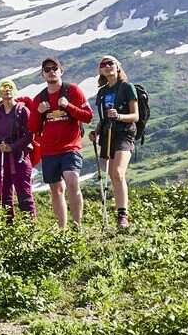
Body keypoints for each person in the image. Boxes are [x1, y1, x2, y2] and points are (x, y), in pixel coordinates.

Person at [31, 56, 93, 229]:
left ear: (61, 71)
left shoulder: (72, 90)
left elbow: (88, 116)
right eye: (47, 70)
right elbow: (33, 127)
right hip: (49, 150)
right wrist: (38, 112)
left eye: (54, 68)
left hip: (70, 147)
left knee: (72, 181)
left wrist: (69, 107)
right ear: (43, 75)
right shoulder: (39, 98)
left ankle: (77, 225)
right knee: (56, 190)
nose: (51, 72)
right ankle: (62, 230)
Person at [94, 54, 140, 231]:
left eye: (110, 63)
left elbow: (135, 116)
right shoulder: (102, 92)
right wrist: (97, 131)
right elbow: (104, 118)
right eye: (103, 64)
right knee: (112, 175)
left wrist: (119, 116)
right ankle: (119, 213)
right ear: (100, 70)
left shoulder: (127, 87)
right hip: (108, 135)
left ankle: (123, 216)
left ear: (117, 66)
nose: (107, 66)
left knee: (118, 173)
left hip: (124, 134)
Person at [0, 77, 36, 221]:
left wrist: (12, 147)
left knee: (23, 192)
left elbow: (30, 135)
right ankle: (8, 226)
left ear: (15, 91)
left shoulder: (23, 111)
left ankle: (29, 226)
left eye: (10, 88)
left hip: (19, 157)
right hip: (1, 157)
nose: (7, 90)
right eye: (3, 88)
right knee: (2, 191)